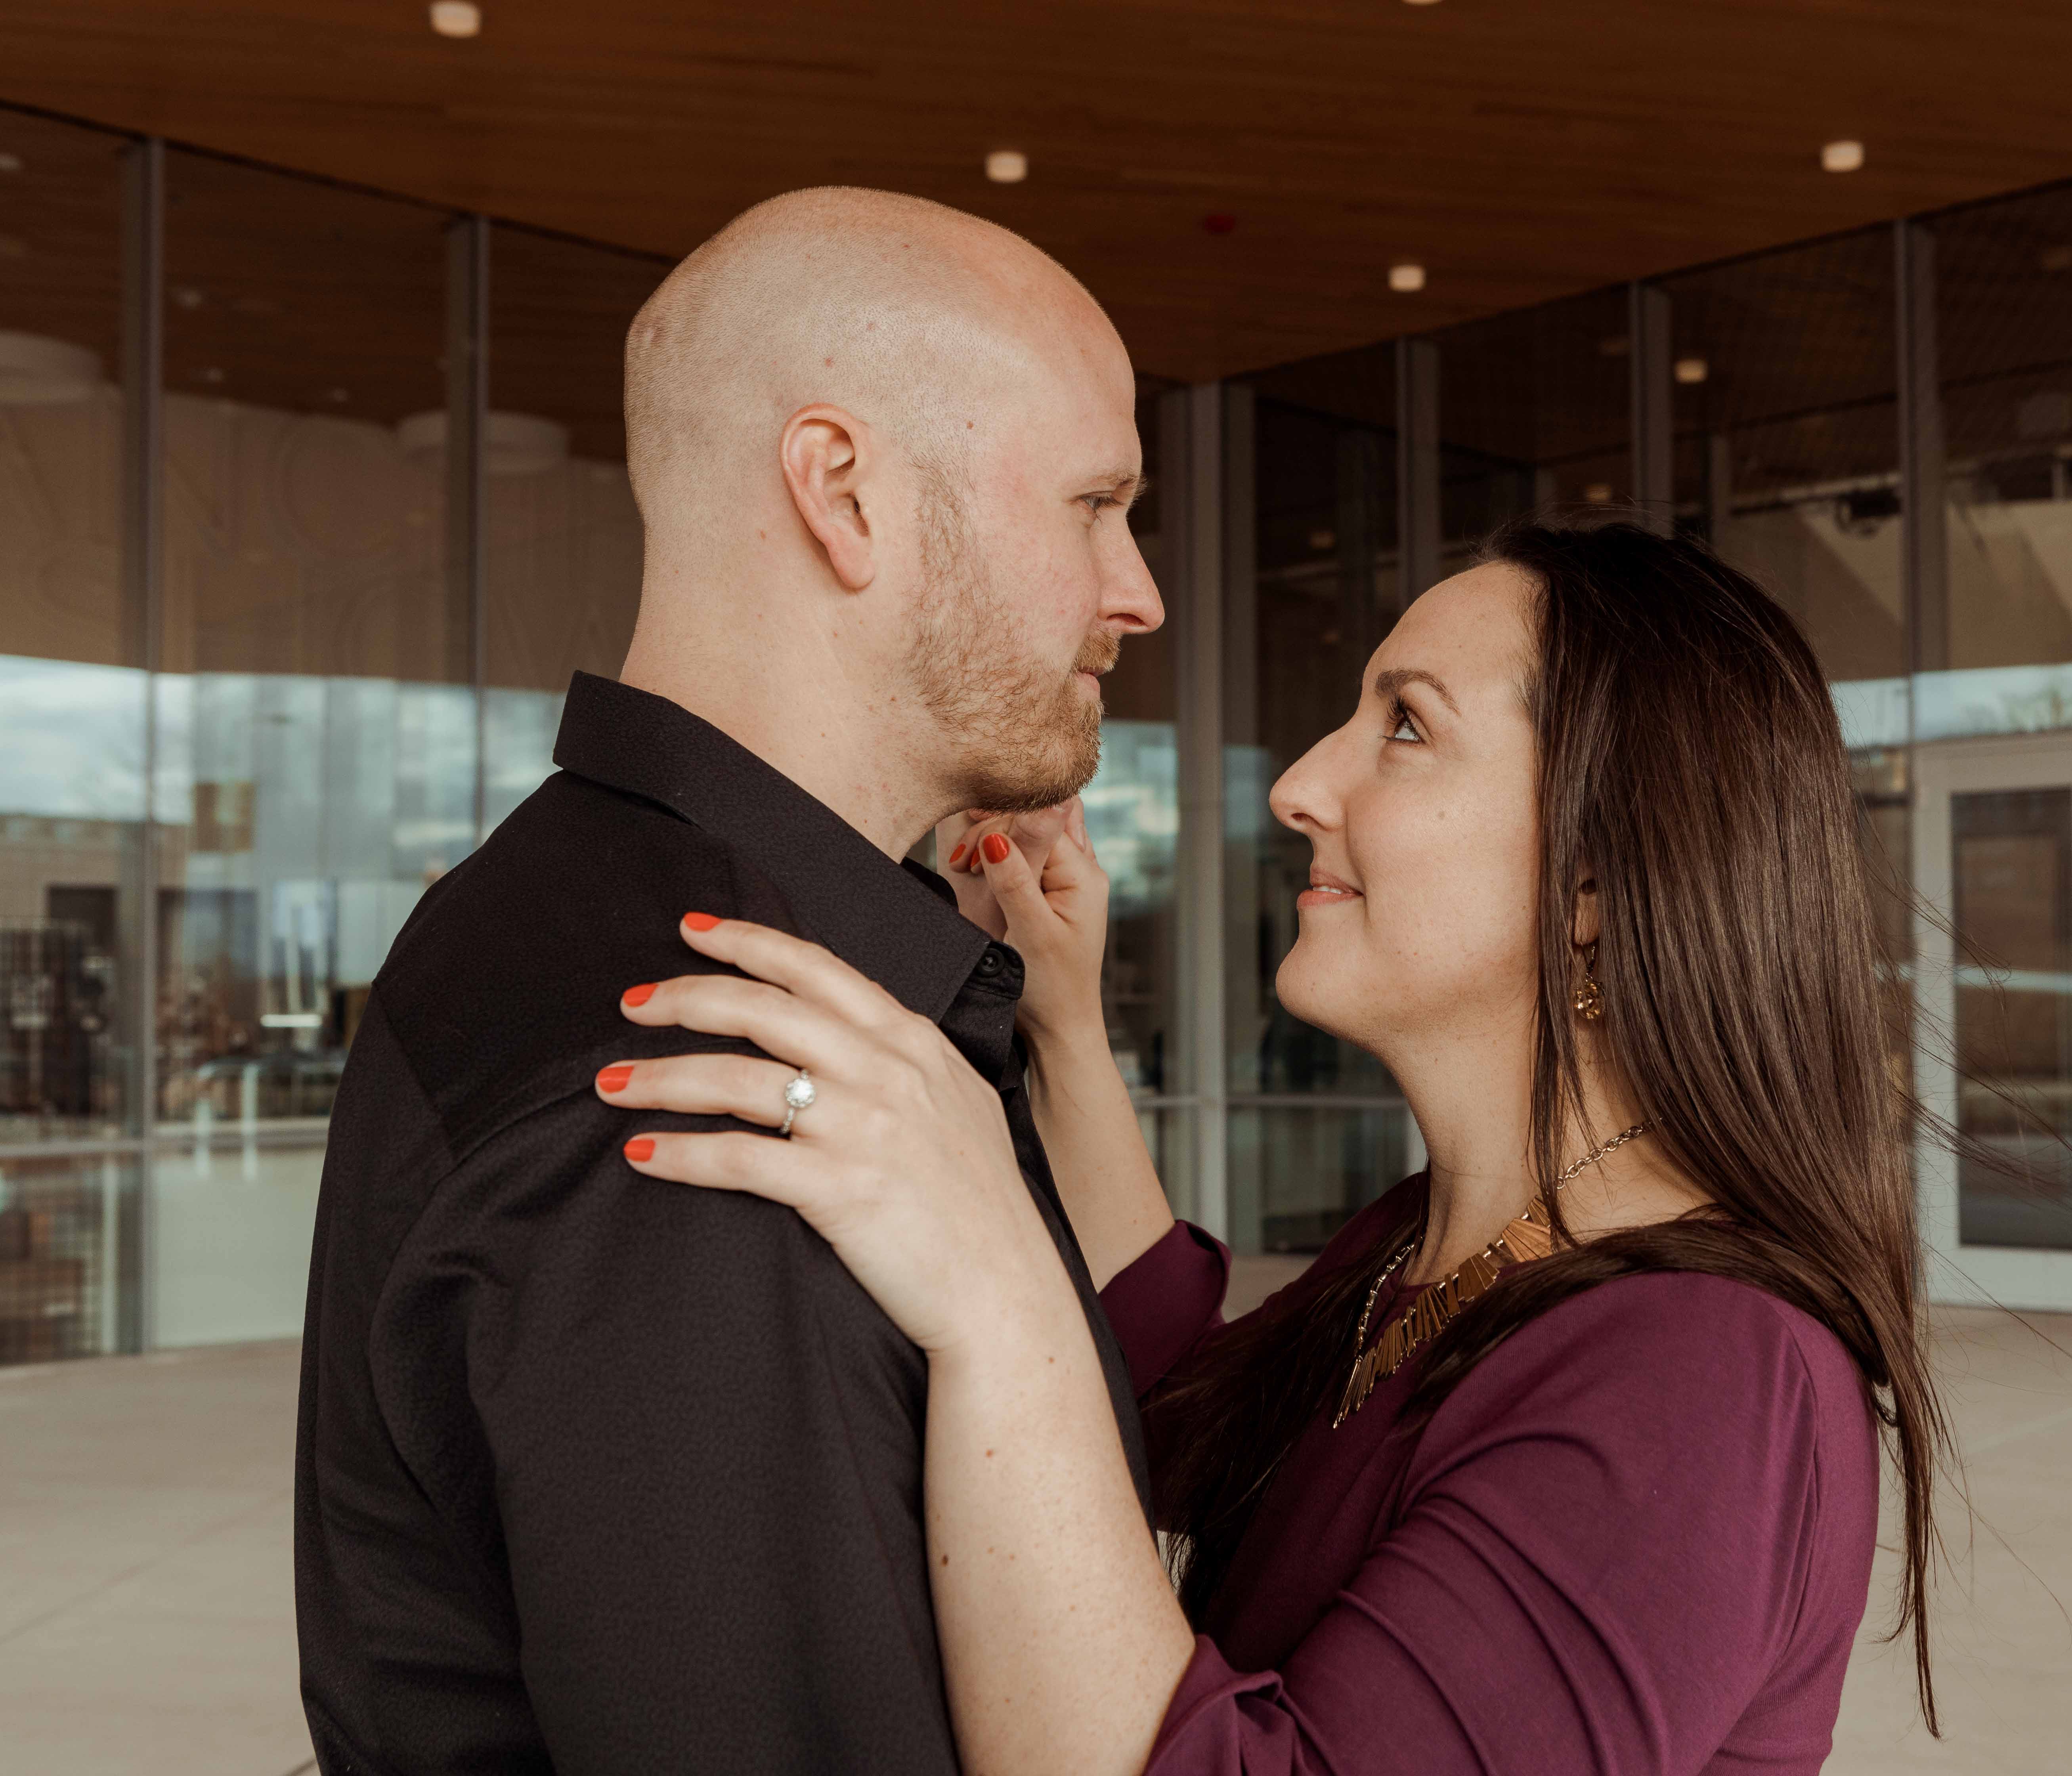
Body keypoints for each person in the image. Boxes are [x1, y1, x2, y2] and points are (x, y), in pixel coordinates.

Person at [609, 521, 1951, 1774]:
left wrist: (991, 1287)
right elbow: (1172, 1412)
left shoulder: (1702, 1376)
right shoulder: (1440, 1247)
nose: (1304, 785)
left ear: (1596, 879)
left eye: (1408, 727)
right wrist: (1063, 1025)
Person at [292, 187, 1163, 1774]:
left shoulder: (601, 922)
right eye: (1096, 505)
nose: (1139, 592)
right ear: (845, 491)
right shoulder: (718, 1069)